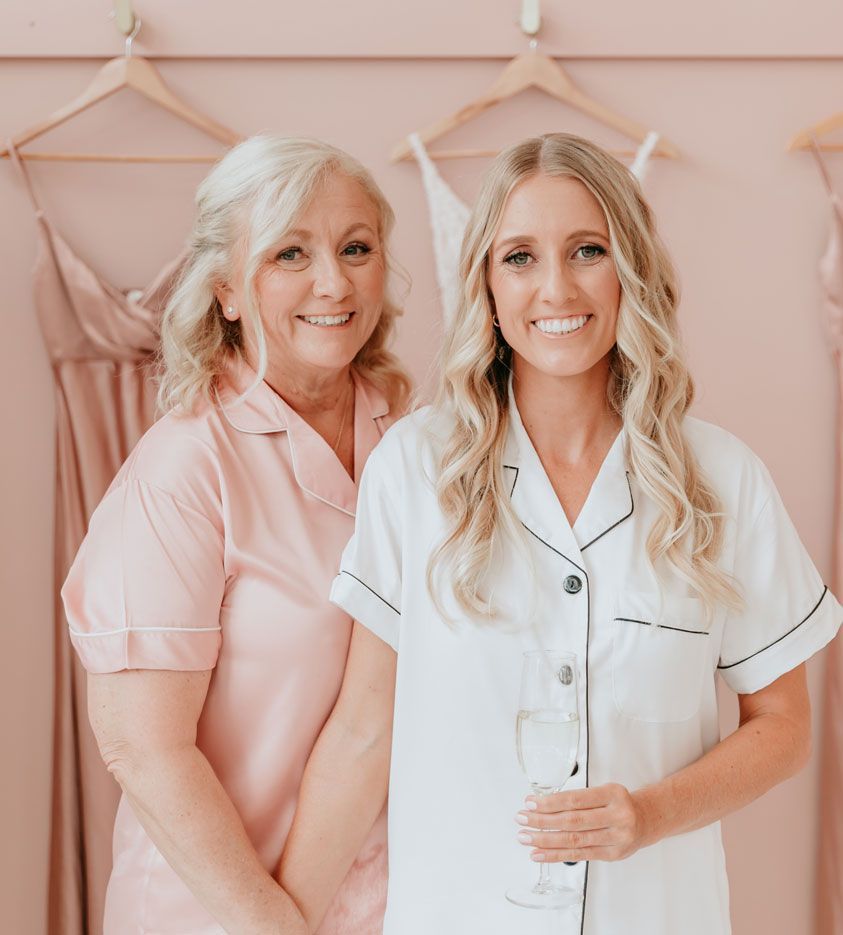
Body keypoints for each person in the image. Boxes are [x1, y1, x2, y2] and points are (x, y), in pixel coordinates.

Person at [277, 132, 842, 935]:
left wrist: (647, 814)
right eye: (518, 257)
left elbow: (784, 728)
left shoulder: (721, 480)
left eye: (586, 250)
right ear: (486, 283)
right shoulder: (415, 468)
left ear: (630, 269)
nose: (554, 288)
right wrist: (271, 921)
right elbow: (364, 730)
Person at [61, 133, 410, 934]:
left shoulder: (417, 444)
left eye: (357, 247)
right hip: (218, 914)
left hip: (394, 902)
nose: (334, 279)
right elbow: (143, 748)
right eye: (290, 253)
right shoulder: (186, 467)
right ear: (225, 291)